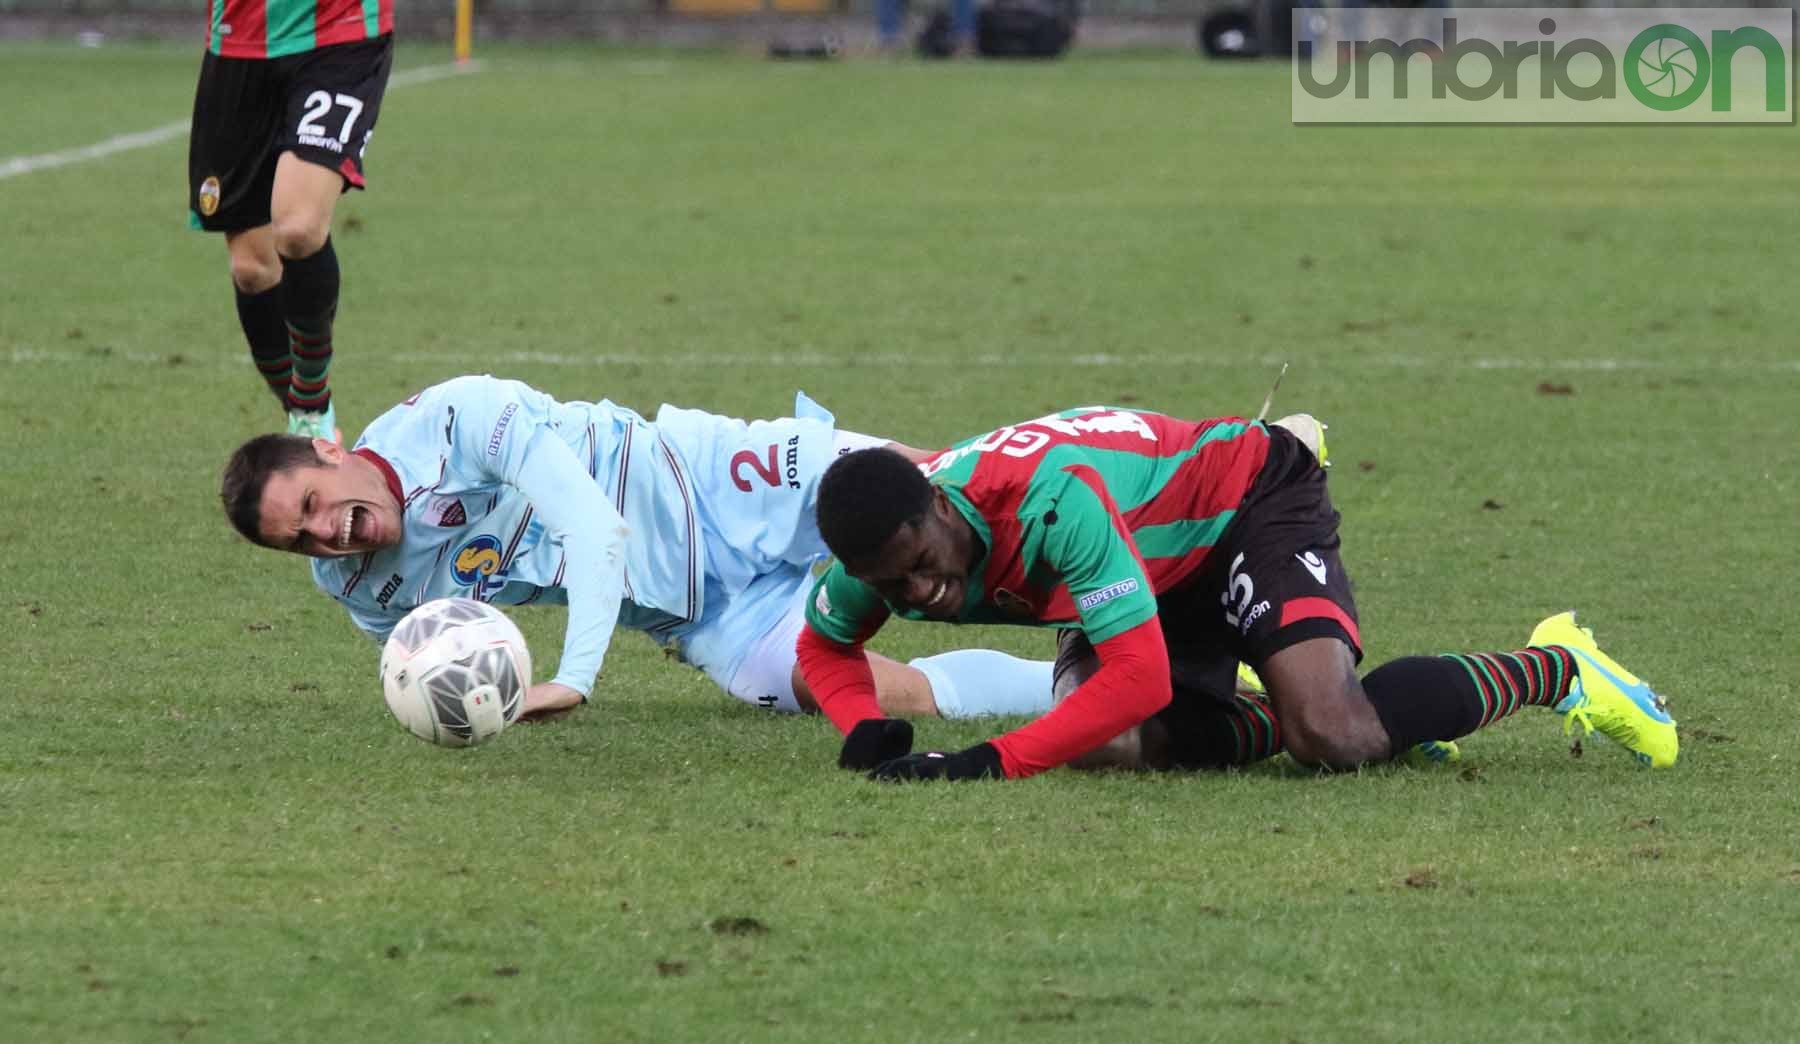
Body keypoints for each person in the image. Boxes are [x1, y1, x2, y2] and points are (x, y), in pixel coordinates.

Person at [797, 405, 1678, 780]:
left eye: (923, 560)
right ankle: (1299, 709)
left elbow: (1134, 679)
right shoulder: (874, 558)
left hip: (1241, 504)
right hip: (1134, 572)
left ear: (942, 506)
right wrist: (863, 726)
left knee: (1334, 736)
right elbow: (821, 648)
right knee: (1107, 745)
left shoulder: (1047, 499)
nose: (923, 590)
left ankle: (1560, 664)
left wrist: (988, 760)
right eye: (894, 586)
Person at [218, 375, 1054, 722]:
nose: (327, 533)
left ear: (327, 449)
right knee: (860, 693)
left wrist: (574, 678)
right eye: (301, 540)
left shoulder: (459, 416)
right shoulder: (356, 586)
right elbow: (433, 657)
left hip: (715, 478)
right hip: (694, 610)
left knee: (948, 499)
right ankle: (1070, 689)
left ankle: (1135, 534)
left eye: (315, 506)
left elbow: (592, 529)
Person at [187, 0, 398, 442]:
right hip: (238, 42)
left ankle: (308, 406)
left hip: (340, 31)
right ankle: (310, 424)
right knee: (252, 268)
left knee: (299, 227)